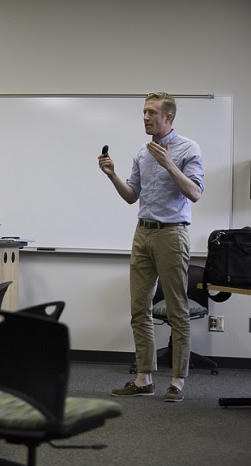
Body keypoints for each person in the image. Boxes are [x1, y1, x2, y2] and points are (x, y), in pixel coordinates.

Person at [99, 92, 204, 403]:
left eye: (152, 112)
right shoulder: (141, 153)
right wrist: (112, 175)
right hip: (142, 233)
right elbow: (131, 196)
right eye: (144, 112)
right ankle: (144, 379)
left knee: (176, 309)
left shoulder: (189, 148)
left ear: (168, 117)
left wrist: (170, 165)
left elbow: (195, 193)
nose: (145, 117)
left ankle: (177, 381)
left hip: (172, 234)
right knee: (139, 308)